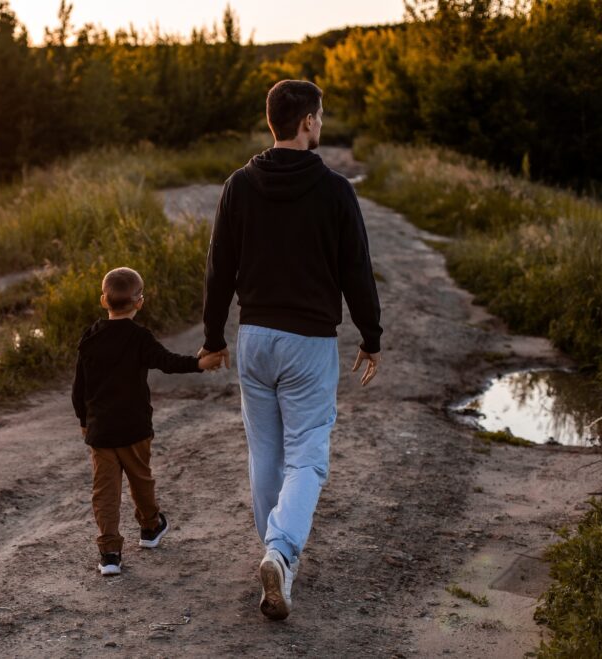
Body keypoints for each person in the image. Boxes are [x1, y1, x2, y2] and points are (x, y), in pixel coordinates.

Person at [200, 80, 383, 619]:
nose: (321, 124)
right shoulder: (335, 190)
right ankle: (280, 553)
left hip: (254, 338)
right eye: (319, 116)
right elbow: (357, 271)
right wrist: (371, 336)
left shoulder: (238, 185)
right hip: (308, 343)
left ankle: (276, 557)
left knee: (267, 454)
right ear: (305, 123)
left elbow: (219, 271)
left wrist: (214, 338)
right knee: (307, 455)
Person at [73, 266, 224, 576]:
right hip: (134, 428)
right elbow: (166, 362)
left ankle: (110, 553)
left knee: (105, 491)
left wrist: (83, 419)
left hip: (100, 431)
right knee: (140, 479)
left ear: (104, 300)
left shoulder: (91, 337)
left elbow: (80, 386)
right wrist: (199, 363)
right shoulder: (139, 337)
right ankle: (150, 528)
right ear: (140, 302)